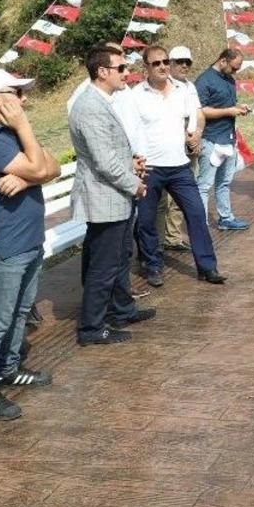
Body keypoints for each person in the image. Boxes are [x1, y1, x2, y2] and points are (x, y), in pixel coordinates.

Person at [0, 70, 60, 421]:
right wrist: (27, 144)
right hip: (5, 245)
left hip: (29, 239)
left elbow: (53, 168)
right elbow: (40, 165)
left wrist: (24, 175)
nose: (24, 99)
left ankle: (8, 367)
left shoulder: (13, 135)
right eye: (16, 92)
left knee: (19, 312)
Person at [69, 45, 156, 346]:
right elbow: (103, 161)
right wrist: (135, 183)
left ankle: (120, 309)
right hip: (105, 197)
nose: (126, 74)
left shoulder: (103, 101)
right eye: (121, 68)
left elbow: (106, 152)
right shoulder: (90, 106)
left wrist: (130, 163)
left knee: (118, 258)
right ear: (102, 71)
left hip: (114, 195)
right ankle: (92, 327)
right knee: (103, 266)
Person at [122, 46, 225, 287]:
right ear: (145, 66)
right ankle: (152, 265)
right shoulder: (135, 95)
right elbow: (128, 132)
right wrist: (134, 159)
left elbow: (196, 115)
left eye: (165, 62)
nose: (162, 67)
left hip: (180, 167)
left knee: (197, 214)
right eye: (156, 63)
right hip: (150, 167)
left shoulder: (184, 89)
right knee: (147, 220)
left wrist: (196, 133)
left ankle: (207, 267)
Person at [195, 48, 251, 230]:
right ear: (223, 61)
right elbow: (201, 111)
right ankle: (201, 224)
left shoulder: (229, 79)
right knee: (204, 185)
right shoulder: (204, 81)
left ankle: (225, 217)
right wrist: (229, 111)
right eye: (234, 68)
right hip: (210, 139)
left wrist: (237, 107)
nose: (235, 72)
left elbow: (226, 105)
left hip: (228, 138)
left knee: (224, 182)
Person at [157, 45, 203, 251]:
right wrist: (186, 136)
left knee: (181, 197)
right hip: (169, 149)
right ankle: (156, 242)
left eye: (188, 62)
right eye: (179, 62)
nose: (184, 66)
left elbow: (198, 113)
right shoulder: (164, 86)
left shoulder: (190, 87)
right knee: (161, 199)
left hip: (190, 146)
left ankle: (173, 237)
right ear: (170, 63)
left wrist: (198, 134)